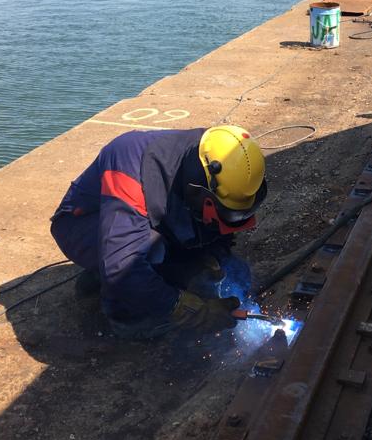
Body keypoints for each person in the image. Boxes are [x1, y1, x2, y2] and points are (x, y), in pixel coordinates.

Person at [50, 125, 267, 339]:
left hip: (145, 221)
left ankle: (138, 277)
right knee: (143, 256)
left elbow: (216, 226)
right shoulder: (129, 172)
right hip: (82, 226)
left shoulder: (220, 153)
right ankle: (121, 310)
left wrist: (213, 256)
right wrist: (188, 310)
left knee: (216, 271)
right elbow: (121, 268)